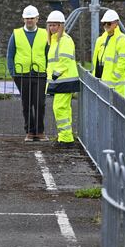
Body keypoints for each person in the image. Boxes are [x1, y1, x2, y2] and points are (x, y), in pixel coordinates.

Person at [7, 5, 49, 142]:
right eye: (27, 18)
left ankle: (40, 131)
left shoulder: (44, 33)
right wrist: (13, 72)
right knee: (26, 104)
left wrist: (49, 70)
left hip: (40, 73)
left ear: (37, 18)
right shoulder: (16, 34)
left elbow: (48, 54)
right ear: (23, 19)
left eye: (31, 18)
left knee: (40, 103)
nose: (29, 20)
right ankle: (30, 131)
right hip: (22, 74)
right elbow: (10, 55)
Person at [45, 10, 79, 148]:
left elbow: (64, 60)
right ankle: (66, 137)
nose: (52, 28)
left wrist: (55, 74)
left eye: (55, 25)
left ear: (61, 25)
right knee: (63, 108)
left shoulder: (64, 40)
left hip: (64, 80)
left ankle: (66, 139)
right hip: (61, 80)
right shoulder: (54, 40)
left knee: (59, 108)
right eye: (50, 25)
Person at [92, 9, 125, 98]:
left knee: (115, 111)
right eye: (104, 23)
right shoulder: (101, 39)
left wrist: (114, 76)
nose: (106, 25)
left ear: (116, 23)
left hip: (115, 87)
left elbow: (124, 61)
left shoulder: (122, 40)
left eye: (109, 23)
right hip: (100, 82)